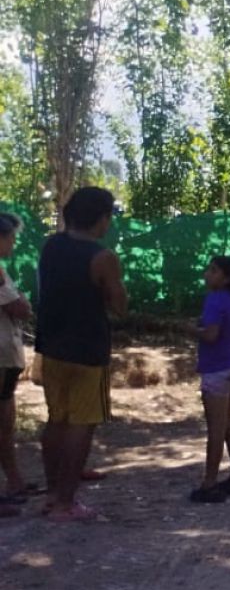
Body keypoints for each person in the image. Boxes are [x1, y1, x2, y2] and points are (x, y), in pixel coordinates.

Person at [37, 187, 128, 524]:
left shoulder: (51, 246)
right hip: (87, 350)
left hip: (52, 345)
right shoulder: (102, 257)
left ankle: (51, 494)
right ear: (100, 218)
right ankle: (66, 501)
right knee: (82, 423)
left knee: (56, 419)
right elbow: (119, 305)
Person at [191, 256, 230, 504]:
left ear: (225, 278)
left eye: (213, 271)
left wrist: (190, 330)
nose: (207, 274)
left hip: (216, 368)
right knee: (228, 424)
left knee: (216, 428)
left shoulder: (214, 300)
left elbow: (211, 335)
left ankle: (209, 482)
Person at [0, 213, 33, 517]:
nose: (13, 242)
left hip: (6, 357)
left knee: (6, 422)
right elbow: (20, 307)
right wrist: (22, 303)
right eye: (10, 237)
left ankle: (14, 482)